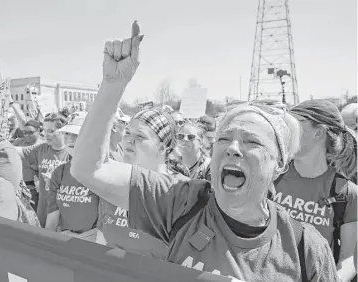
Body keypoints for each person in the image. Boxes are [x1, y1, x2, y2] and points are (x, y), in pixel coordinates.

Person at [71, 21, 340, 281]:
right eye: (224, 139)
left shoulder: (305, 248)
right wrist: (113, 83)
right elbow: (88, 168)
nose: (233, 148)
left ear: (280, 164)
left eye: (251, 142)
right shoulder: (182, 202)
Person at [274, 99, 357, 281]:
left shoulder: (346, 193)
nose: (287, 132)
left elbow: (348, 258)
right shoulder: (272, 175)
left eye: (294, 125)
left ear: (319, 132)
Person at [95, 108, 172, 259]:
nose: (129, 140)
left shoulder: (179, 191)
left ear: (161, 148)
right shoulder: (114, 183)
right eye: (128, 132)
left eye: (140, 136)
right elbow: (101, 241)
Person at [46, 112, 100, 242]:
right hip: (64, 239)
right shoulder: (59, 172)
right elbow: (52, 217)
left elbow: (107, 220)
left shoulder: (100, 172)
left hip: (95, 242)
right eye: (67, 133)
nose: (70, 138)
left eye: (76, 134)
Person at [14, 112, 70, 227]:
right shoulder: (41, 148)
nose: (46, 135)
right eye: (44, 130)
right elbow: (17, 150)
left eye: (51, 131)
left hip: (64, 209)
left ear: (63, 131)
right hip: (43, 208)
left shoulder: (71, 151)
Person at [13, 119, 43, 210]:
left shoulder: (42, 146)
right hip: (17, 187)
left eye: (30, 132)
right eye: (24, 132)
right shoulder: (18, 142)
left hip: (33, 190)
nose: (27, 135)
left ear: (38, 131)